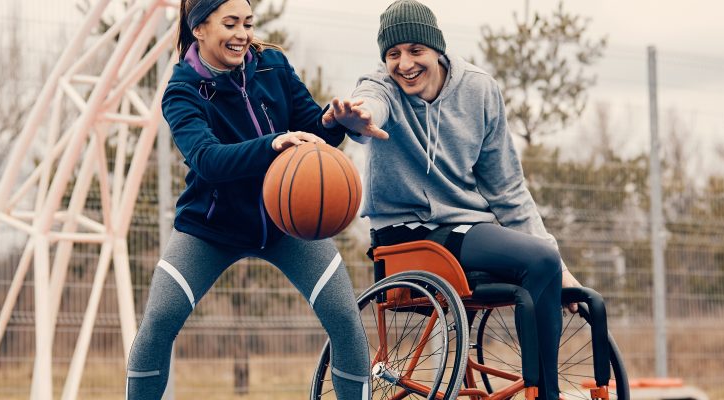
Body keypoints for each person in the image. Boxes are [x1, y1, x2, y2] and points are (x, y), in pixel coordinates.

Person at [322, 1, 584, 399]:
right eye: (393, 54)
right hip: (405, 235)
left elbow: (508, 189)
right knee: (540, 261)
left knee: (545, 265)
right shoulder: (381, 87)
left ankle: (537, 384)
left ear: (437, 49)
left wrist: (560, 267)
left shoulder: (478, 89)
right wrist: (358, 120)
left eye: (415, 51)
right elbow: (368, 104)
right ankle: (547, 395)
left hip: (466, 230)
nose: (404, 63)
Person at [125, 0, 370, 398]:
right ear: (199, 28)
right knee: (158, 322)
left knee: (345, 317)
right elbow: (208, 160)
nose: (242, 34)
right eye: (231, 23)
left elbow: (313, 133)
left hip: (287, 223)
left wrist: (334, 121)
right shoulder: (182, 91)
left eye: (248, 23)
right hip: (211, 228)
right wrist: (274, 143)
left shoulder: (273, 65)